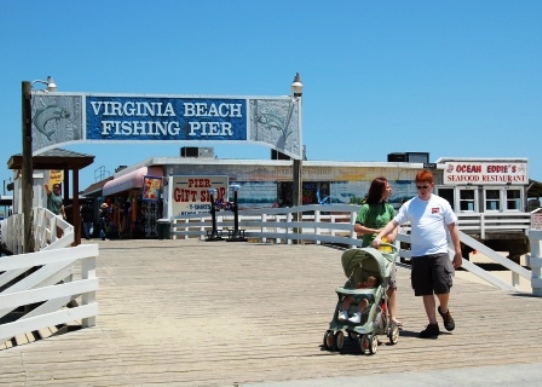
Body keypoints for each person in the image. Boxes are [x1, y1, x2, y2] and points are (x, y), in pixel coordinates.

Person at [372, 169, 462, 339]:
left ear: (432, 186)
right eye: (419, 187)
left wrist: (458, 251)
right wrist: (379, 236)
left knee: (443, 287)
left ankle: (444, 310)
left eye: (425, 187)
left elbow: (453, 228)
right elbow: (394, 222)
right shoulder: (410, 205)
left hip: (439, 252)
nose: (422, 190)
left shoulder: (441, 203)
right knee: (425, 290)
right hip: (419, 254)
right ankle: (432, 324)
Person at [354, 176, 401, 326]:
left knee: (391, 285)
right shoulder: (366, 208)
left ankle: (392, 317)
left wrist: (393, 234)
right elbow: (357, 228)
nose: (390, 189)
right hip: (371, 251)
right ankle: (362, 315)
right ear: (380, 190)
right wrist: (375, 231)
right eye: (388, 187)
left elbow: (395, 223)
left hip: (388, 252)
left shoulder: (389, 208)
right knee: (371, 283)